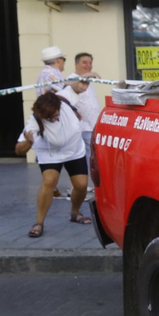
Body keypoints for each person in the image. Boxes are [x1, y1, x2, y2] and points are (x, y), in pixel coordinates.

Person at [15, 91, 89, 238]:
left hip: (74, 149)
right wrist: (28, 143)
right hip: (50, 153)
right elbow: (18, 150)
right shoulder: (35, 121)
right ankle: (39, 222)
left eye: (54, 115)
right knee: (49, 181)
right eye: (48, 118)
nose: (52, 119)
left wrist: (87, 74)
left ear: (59, 106)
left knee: (81, 185)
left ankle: (75, 212)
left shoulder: (63, 99)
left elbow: (76, 85)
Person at [58, 52, 105, 203]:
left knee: (87, 158)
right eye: (85, 62)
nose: (88, 65)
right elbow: (68, 90)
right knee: (81, 159)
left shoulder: (87, 81)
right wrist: (90, 75)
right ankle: (75, 190)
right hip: (81, 127)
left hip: (90, 126)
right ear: (76, 64)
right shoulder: (73, 79)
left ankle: (79, 188)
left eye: (90, 62)